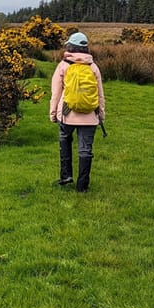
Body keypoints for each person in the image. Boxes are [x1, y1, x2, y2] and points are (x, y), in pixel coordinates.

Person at [49, 32, 105, 192]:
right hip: (90, 116)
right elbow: (100, 94)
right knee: (85, 149)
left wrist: (53, 113)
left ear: (70, 47)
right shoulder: (93, 67)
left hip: (67, 115)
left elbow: (56, 93)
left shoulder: (63, 65)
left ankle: (66, 175)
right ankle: (82, 186)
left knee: (64, 139)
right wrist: (101, 114)